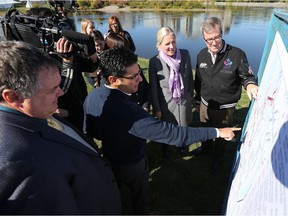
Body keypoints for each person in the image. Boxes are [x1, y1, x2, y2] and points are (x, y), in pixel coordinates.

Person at [83, 47, 240, 214]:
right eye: (133, 77)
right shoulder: (130, 113)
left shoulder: (93, 96)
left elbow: (91, 132)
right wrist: (218, 132)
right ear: (114, 80)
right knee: (139, 194)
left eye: (139, 73)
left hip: (109, 158)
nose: (140, 80)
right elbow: (176, 135)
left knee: (118, 192)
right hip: (132, 163)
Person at [0, 40, 121, 214]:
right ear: (13, 96)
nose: (62, 92)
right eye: (52, 89)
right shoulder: (17, 164)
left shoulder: (37, 112)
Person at [192, 17, 259, 175]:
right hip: (205, 105)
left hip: (225, 109)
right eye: (209, 39)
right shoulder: (201, 55)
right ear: (203, 39)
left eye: (216, 37)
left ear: (221, 33)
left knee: (223, 136)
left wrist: (250, 84)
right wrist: (197, 100)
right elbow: (198, 81)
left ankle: (218, 160)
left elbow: (246, 76)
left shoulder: (236, 54)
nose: (214, 42)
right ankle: (206, 149)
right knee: (205, 130)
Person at [149, 26, 194, 158]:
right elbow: (154, 88)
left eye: (173, 42)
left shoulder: (185, 54)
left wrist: (190, 95)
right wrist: (156, 108)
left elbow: (189, 77)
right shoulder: (154, 62)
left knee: (183, 125)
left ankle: (182, 145)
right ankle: (166, 147)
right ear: (159, 45)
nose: (171, 46)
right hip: (166, 104)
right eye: (167, 43)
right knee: (168, 128)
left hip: (184, 100)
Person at [104, 32, 150, 111]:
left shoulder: (135, 67)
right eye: (122, 49)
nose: (127, 52)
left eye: (127, 48)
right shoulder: (106, 80)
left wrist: (145, 106)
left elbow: (145, 87)